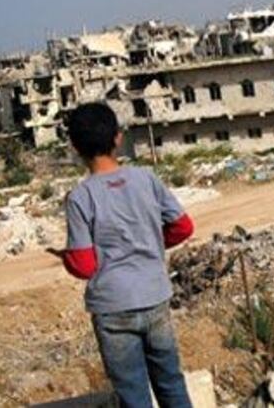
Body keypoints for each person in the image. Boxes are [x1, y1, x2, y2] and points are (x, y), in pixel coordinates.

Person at [53, 102, 195, 407]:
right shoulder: (146, 178)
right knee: (171, 382)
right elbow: (183, 227)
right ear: (118, 138)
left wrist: (65, 257)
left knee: (133, 394)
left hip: (113, 308)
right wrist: (151, 242)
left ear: (75, 146)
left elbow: (85, 265)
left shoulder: (80, 197)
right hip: (155, 296)